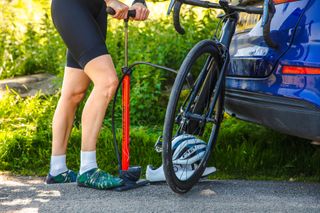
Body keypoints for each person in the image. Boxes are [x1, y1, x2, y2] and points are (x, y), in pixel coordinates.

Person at [45, 0, 149, 190]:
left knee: (74, 93)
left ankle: (57, 170)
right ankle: (88, 168)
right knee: (107, 82)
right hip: (71, 6)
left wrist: (139, 2)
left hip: (95, 11)